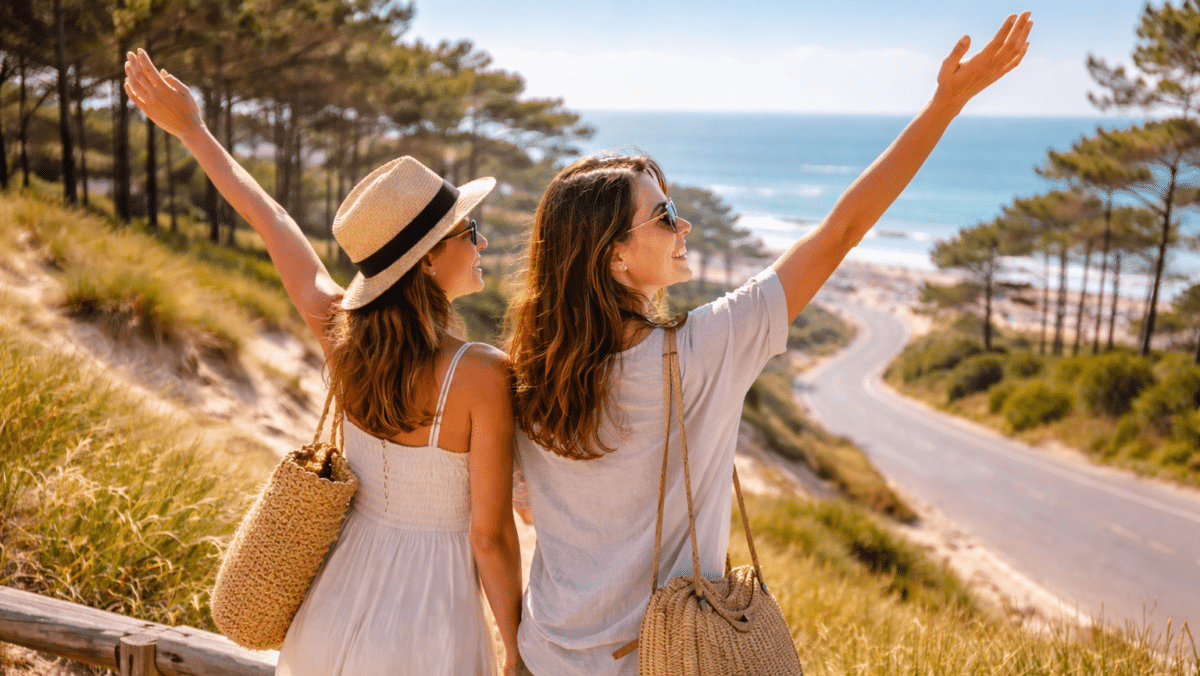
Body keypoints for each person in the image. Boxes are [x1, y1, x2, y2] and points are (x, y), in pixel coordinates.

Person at [504, 12, 1032, 676]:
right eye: (665, 216)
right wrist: (945, 104)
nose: (683, 226)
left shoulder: (525, 373)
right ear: (615, 255)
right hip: (668, 661)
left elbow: (528, 513)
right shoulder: (705, 348)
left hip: (548, 654)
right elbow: (841, 232)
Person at [123, 50, 523, 676]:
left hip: (332, 604)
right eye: (468, 232)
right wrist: (518, 652)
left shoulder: (346, 337)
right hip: (429, 619)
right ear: (426, 259)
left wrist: (194, 132)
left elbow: (271, 220)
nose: (482, 243)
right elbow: (490, 539)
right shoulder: (482, 374)